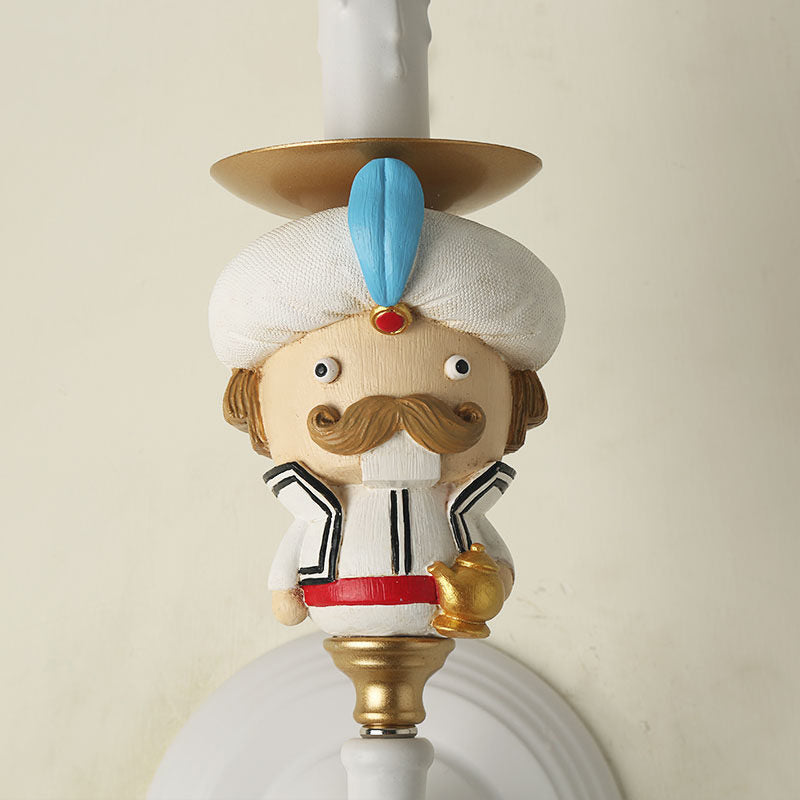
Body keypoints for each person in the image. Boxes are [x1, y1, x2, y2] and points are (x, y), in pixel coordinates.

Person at [209, 158, 564, 637]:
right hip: (339, 597)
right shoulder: (316, 503)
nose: (398, 410)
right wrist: (285, 588)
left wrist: (491, 579)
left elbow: (495, 562)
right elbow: (294, 554)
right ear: (256, 402)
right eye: (324, 372)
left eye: (459, 369)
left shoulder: (463, 504)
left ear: (517, 399)